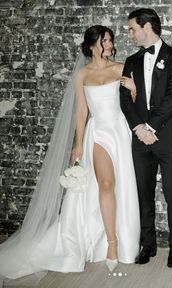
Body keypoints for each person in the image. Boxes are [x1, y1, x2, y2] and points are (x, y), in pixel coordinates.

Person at [0, 25, 140, 284]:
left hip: (120, 133)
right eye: (104, 41)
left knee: (122, 187)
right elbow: (81, 113)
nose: (109, 45)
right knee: (106, 184)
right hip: (98, 134)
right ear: (91, 46)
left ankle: (117, 236)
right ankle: (112, 243)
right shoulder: (81, 75)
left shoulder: (122, 68)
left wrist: (133, 88)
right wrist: (78, 143)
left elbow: (137, 103)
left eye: (110, 40)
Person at [120, 8, 172, 268]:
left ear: (147, 26)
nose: (130, 34)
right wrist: (139, 128)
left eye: (132, 29)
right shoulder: (130, 61)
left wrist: (150, 126)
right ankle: (147, 245)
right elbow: (124, 99)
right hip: (140, 138)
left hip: (169, 137)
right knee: (142, 193)